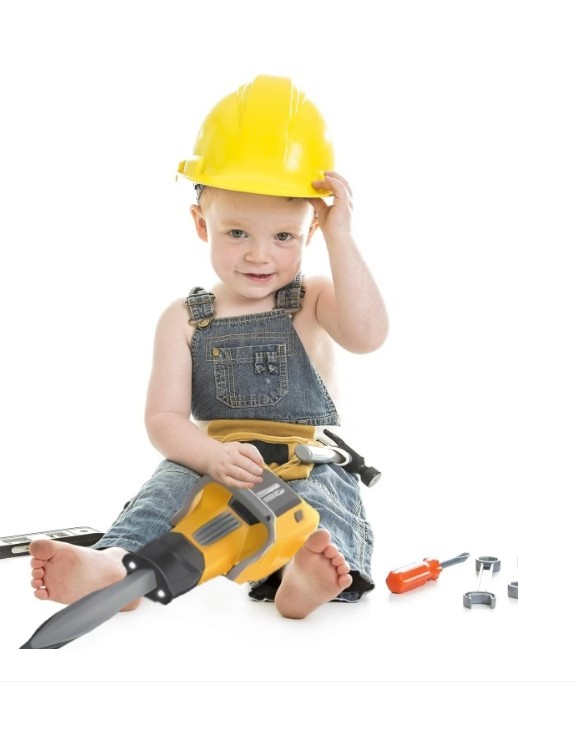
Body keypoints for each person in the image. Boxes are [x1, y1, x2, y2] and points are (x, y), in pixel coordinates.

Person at [28, 75, 388, 620]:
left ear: (311, 230)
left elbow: (368, 334)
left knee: (323, 506)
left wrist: (342, 236)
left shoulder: (313, 299)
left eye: (284, 236)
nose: (259, 255)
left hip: (303, 462)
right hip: (213, 460)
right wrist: (209, 457)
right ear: (202, 224)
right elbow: (164, 419)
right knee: (164, 493)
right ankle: (115, 566)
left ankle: (298, 577)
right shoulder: (183, 319)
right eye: (237, 233)